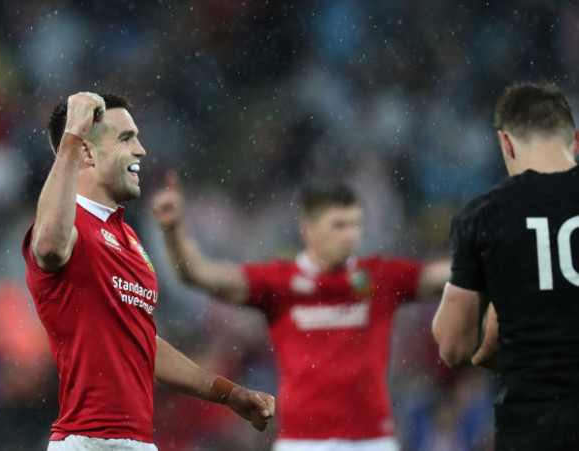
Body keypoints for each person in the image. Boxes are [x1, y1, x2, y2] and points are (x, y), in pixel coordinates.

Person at [21, 92, 275, 451]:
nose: (140, 150)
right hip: (89, 441)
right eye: (126, 138)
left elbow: (140, 343)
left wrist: (227, 393)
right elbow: (48, 246)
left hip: (135, 442)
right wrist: (71, 139)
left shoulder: (128, 237)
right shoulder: (67, 227)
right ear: (87, 153)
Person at [150, 174, 450, 450]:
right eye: (338, 225)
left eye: (355, 224)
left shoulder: (380, 277)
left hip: (371, 441)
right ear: (307, 229)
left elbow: (447, 274)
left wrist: (490, 246)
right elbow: (198, 274)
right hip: (302, 442)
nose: (350, 236)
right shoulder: (280, 282)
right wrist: (173, 230)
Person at [432, 82, 579, 450]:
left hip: (535, 428)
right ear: (575, 140)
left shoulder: (484, 216)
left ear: (506, 144)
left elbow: (453, 346)